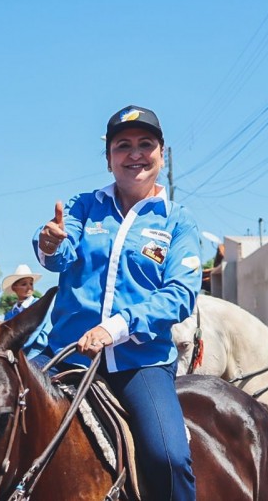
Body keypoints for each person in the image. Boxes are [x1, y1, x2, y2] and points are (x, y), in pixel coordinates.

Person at [33, 105, 202, 501]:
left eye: (146, 144)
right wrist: (48, 244)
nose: (135, 154)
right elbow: (61, 251)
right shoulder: (83, 206)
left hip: (139, 363)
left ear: (162, 154)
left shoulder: (178, 221)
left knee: (169, 458)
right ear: (109, 159)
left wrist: (116, 328)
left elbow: (179, 296)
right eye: (123, 146)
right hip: (67, 353)